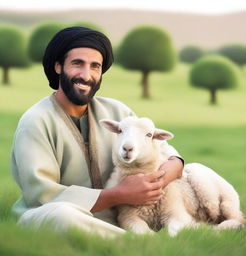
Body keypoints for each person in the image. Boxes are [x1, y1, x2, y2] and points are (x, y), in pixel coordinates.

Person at [10, 26, 184, 238]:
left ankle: (137, 238)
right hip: (53, 215)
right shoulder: (35, 121)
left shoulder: (117, 111)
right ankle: (142, 245)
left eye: (95, 66)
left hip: (121, 216)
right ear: (58, 67)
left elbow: (166, 153)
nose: (86, 75)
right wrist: (118, 194)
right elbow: (42, 195)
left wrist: (162, 176)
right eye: (77, 64)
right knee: (62, 216)